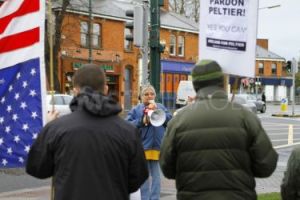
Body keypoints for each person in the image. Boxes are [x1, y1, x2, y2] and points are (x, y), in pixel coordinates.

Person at [159, 59, 278, 200]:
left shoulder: (178, 121)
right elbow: (266, 165)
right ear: (222, 83)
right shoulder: (245, 117)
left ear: (195, 85)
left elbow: (167, 168)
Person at [26, 64, 148, 200]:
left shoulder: (56, 128)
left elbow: (37, 168)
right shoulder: (128, 131)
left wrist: (46, 129)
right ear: (106, 89)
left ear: (75, 91)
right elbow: (137, 179)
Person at [126, 84, 172, 200]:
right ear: (141, 97)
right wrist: (141, 120)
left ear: (155, 96)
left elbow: (170, 120)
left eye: (151, 94)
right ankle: (145, 198)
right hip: (143, 147)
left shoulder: (160, 106)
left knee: (156, 176)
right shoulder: (136, 109)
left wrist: (160, 112)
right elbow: (127, 125)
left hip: (157, 147)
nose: (149, 96)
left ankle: (155, 198)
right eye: (146, 94)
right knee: (144, 176)